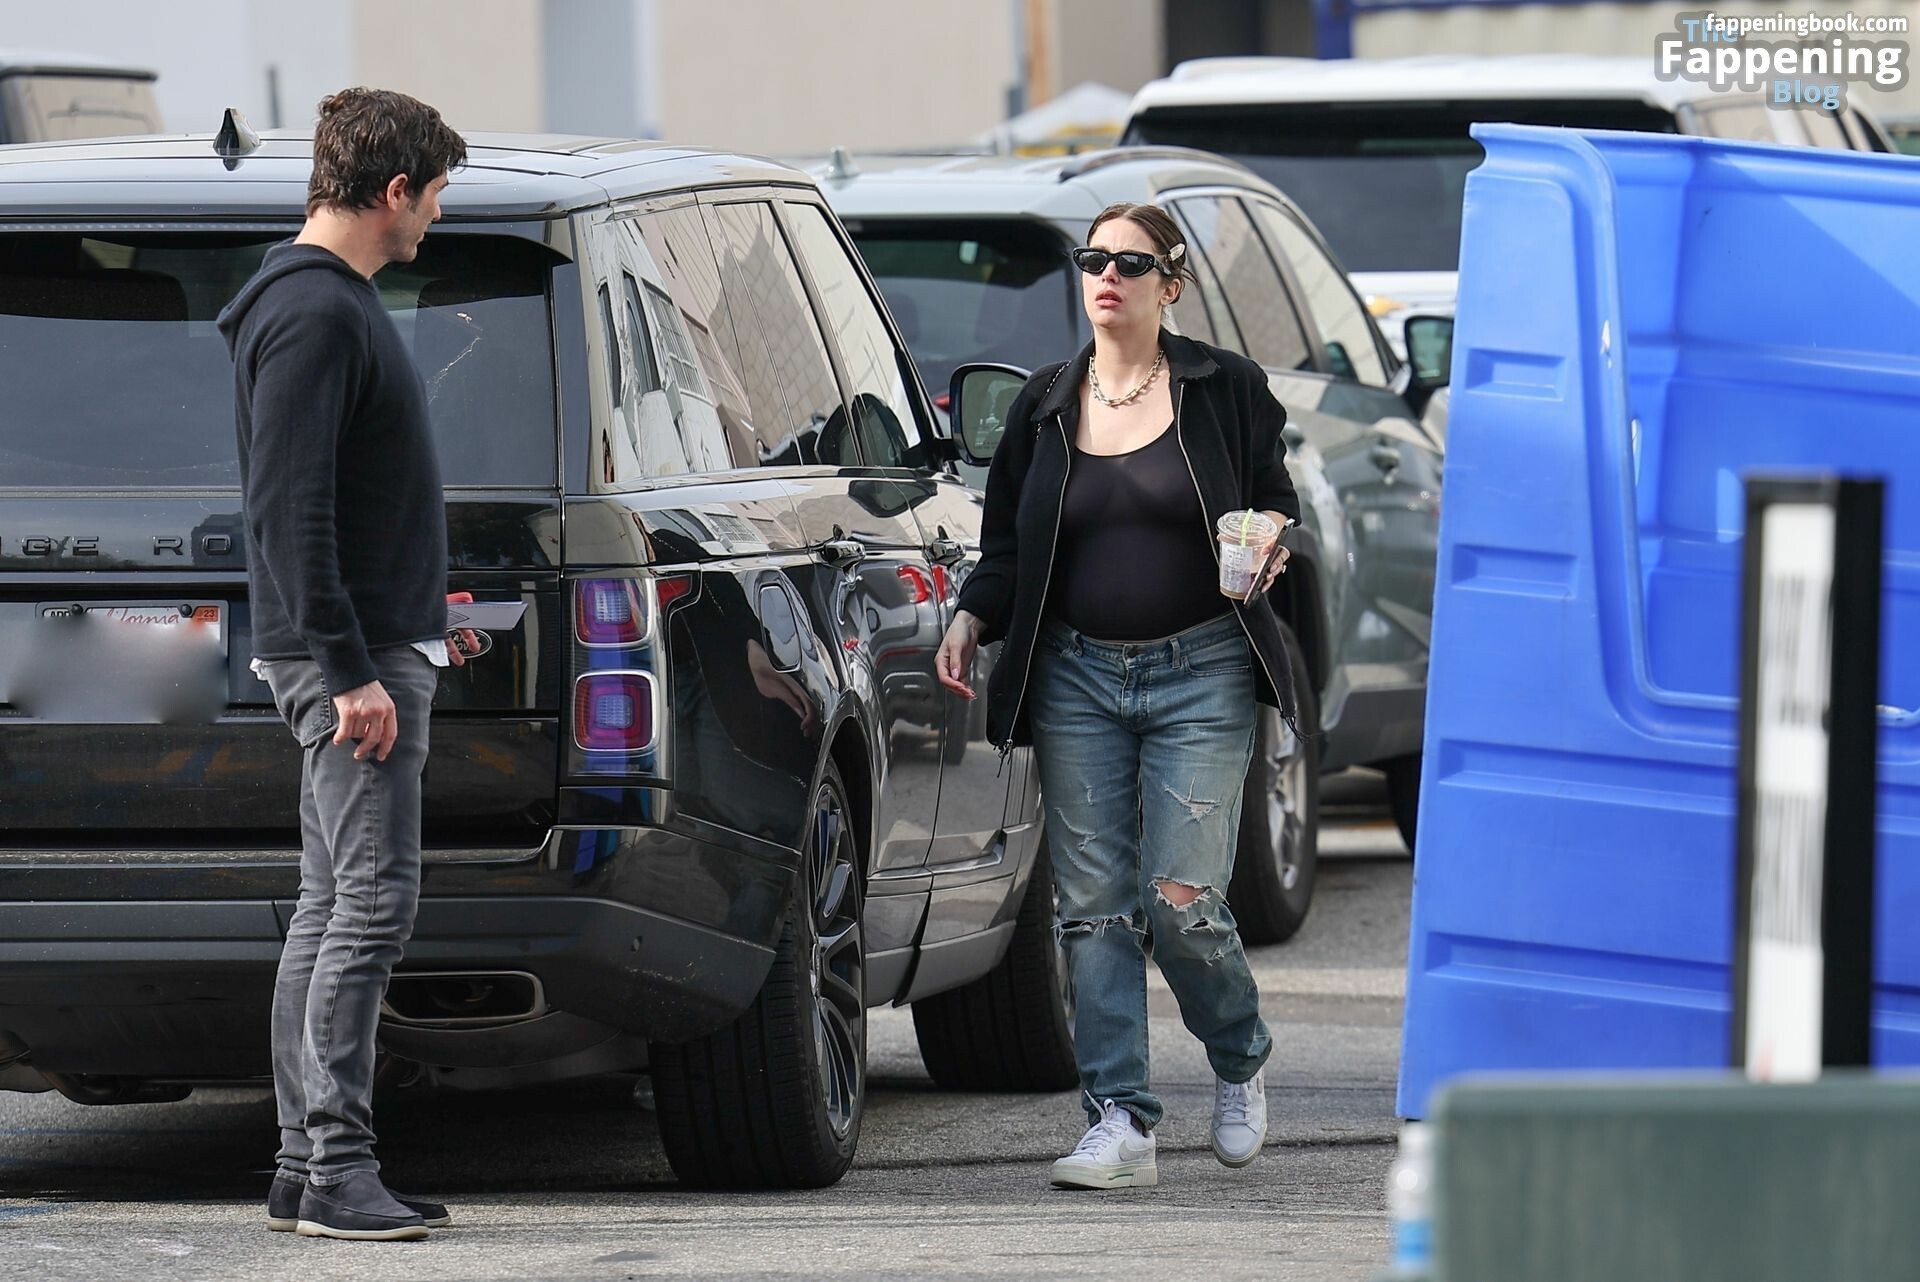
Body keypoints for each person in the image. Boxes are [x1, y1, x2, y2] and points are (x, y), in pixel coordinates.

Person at [934, 201, 1301, 1189]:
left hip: (1204, 670)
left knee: (1182, 902)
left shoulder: (1226, 388)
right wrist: (971, 618)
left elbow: (1275, 501)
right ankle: (1121, 1120)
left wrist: (1271, 536)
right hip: (1076, 676)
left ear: (1169, 284)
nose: (1107, 276)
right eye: (1093, 259)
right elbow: (1007, 545)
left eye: (1131, 264)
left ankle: (1239, 1054)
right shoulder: (1047, 402)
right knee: (1092, 909)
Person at [217, 87, 470, 1241]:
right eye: (433, 196)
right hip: (351, 664)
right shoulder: (316, 311)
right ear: (393, 190)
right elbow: (288, 507)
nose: (435, 219)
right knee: (369, 907)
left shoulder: (321, 304)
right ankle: (334, 1170)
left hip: (361, 645)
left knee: (331, 907)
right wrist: (349, 665)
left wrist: (404, 615)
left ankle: (300, 1168)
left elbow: (339, 498)